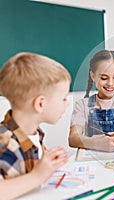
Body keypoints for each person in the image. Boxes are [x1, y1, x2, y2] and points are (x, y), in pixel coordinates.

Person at [0, 52, 70, 199]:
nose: (67, 103)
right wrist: (38, 176)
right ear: (40, 104)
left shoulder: (34, 133)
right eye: (63, 98)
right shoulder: (4, 142)